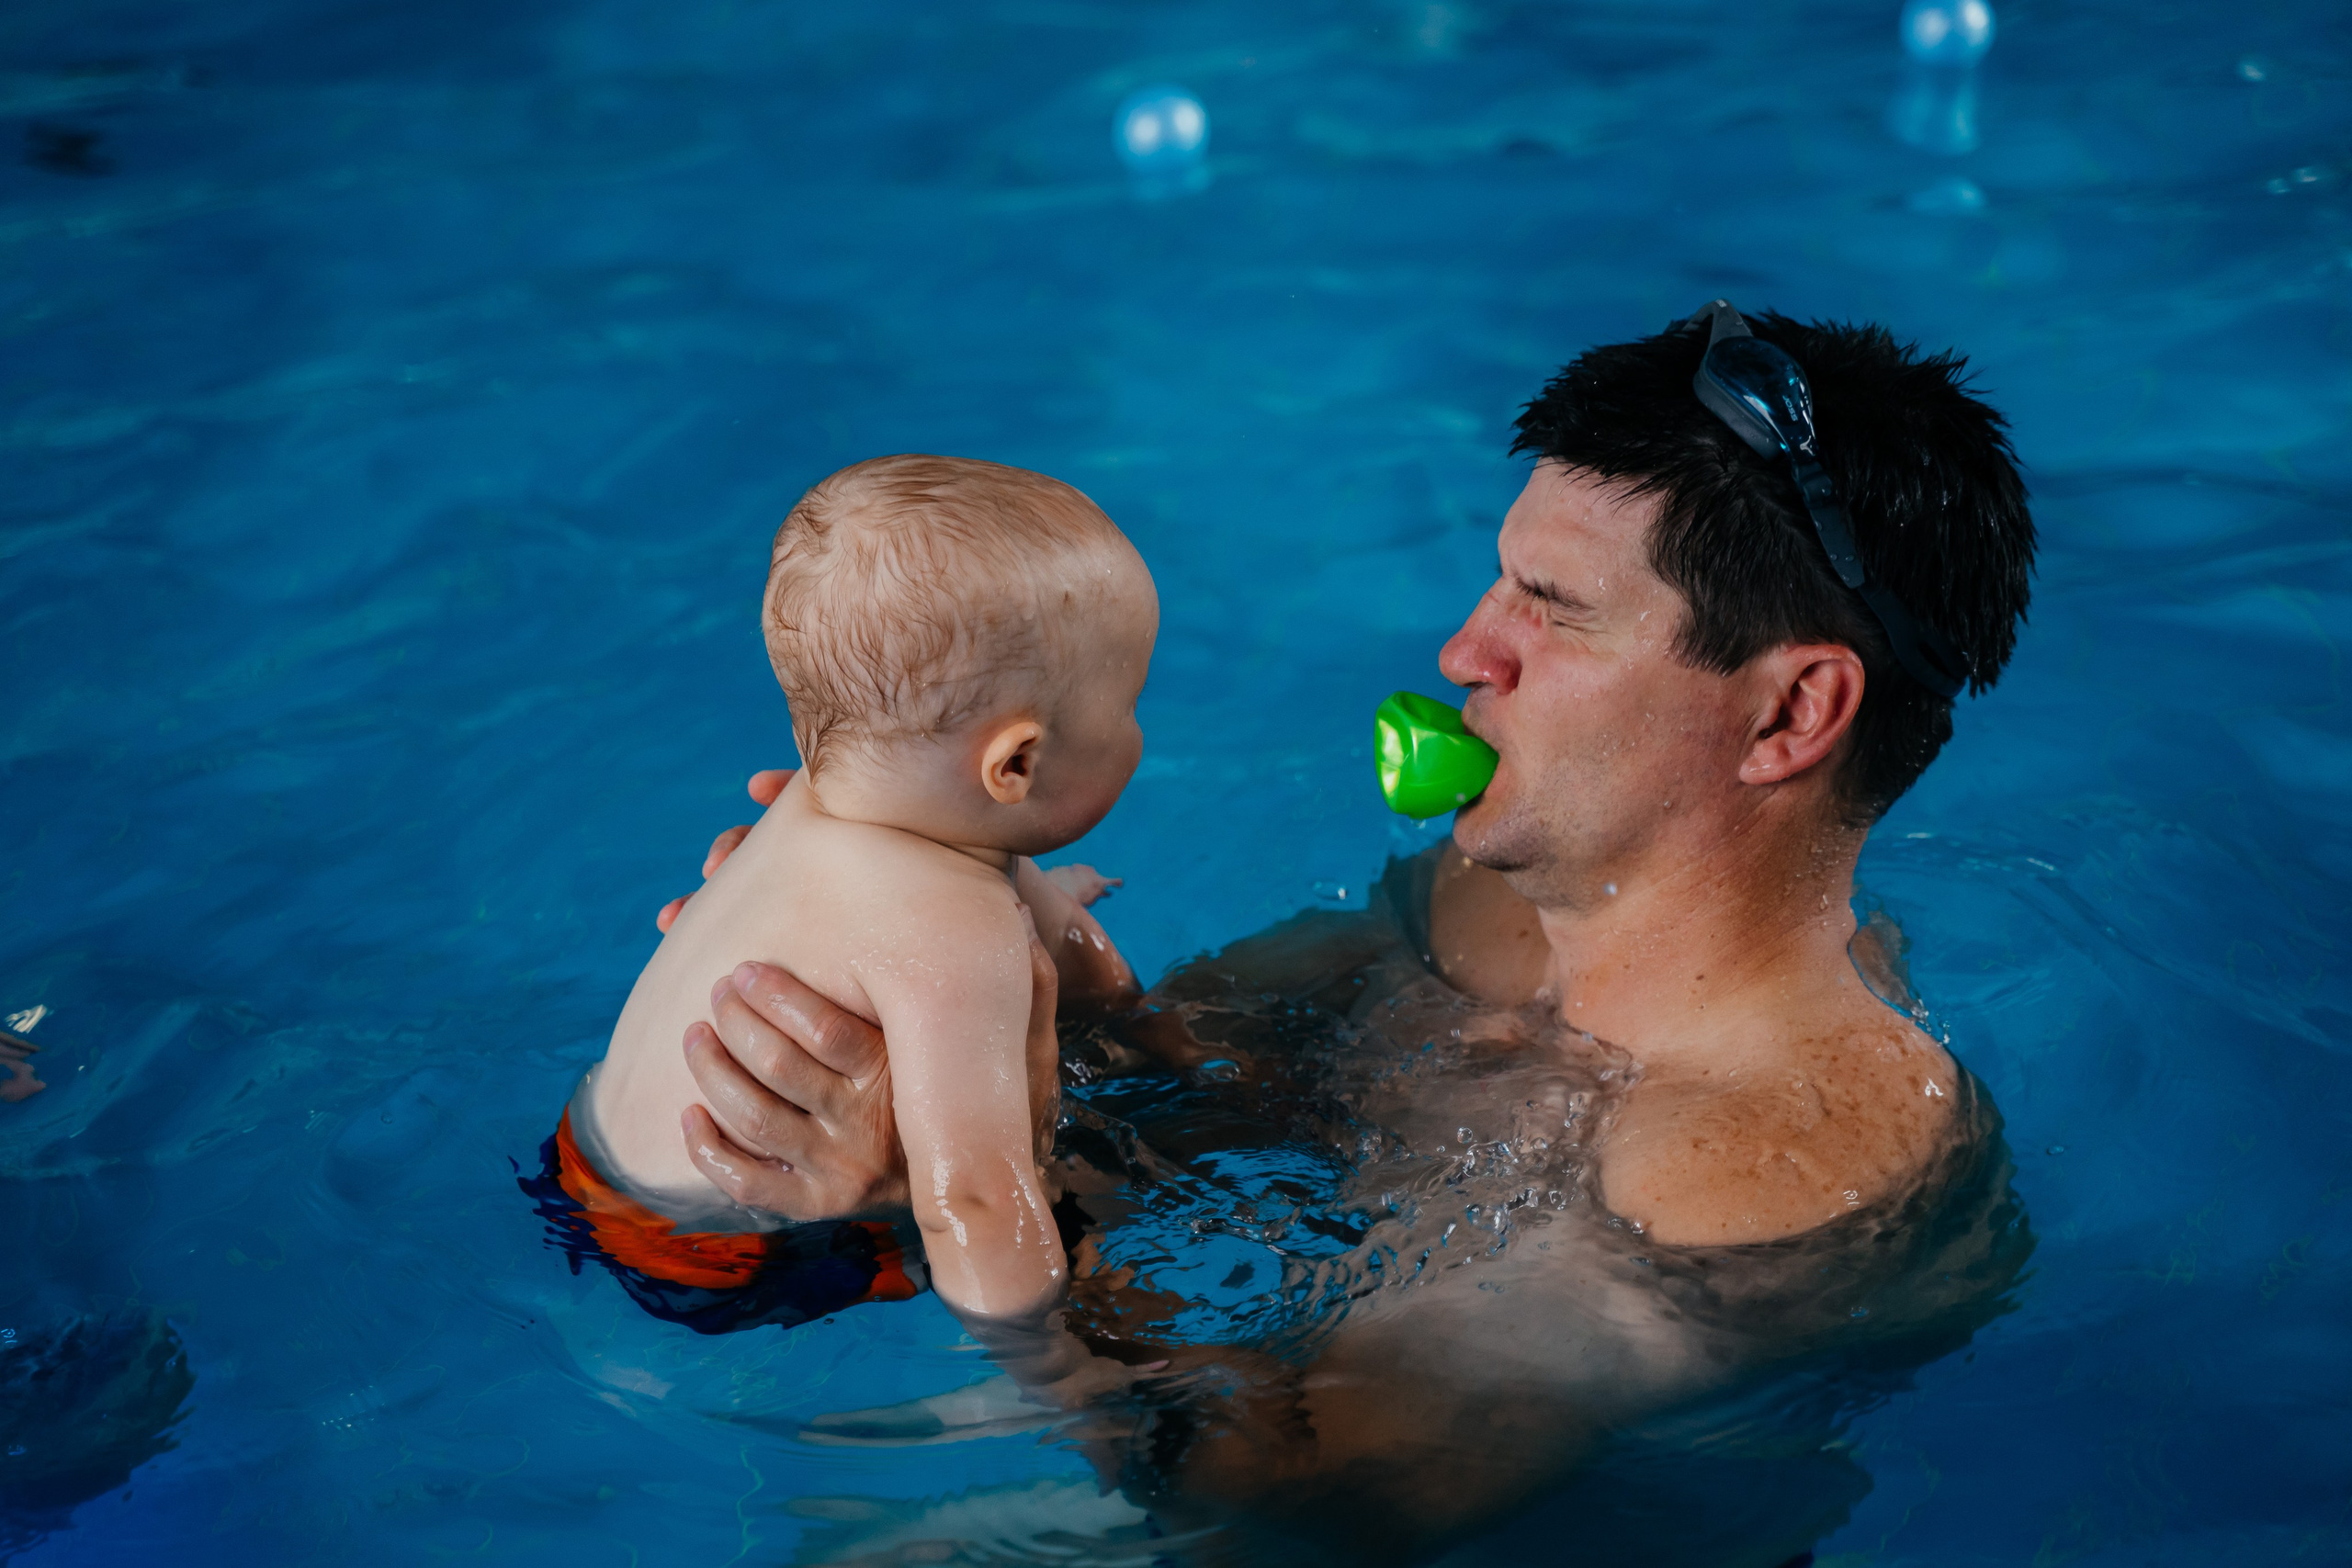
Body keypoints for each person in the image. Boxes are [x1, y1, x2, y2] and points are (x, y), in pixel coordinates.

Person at [652, 308, 2039, 1560]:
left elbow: (1289, 1499)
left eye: (1553, 612)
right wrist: (938, 946)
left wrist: (928, 1186)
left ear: (1789, 713)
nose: (1465, 651)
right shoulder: (1486, 901)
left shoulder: (1761, 1172)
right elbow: (1180, 1095)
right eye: (1500, 581)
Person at [548, 454, 1156, 1404]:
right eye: (1129, 707)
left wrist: (1051, 906)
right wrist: (1057, 1370)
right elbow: (974, 1199)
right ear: (1014, 764)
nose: (1139, 733)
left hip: (583, 1158)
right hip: (713, 1254)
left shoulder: (823, 803)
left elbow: (995, 878)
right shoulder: (957, 938)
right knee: (1097, 1207)